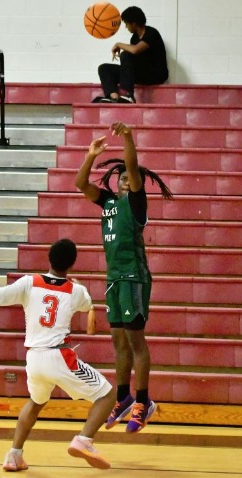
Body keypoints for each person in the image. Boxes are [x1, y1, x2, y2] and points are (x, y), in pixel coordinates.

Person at [0, 238, 115, 471]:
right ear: (72, 264)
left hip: (33, 359)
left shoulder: (29, 282)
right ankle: (84, 440)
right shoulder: (76, 290)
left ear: (48, 258)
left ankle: (14, 455)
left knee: (36, 402)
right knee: (107, 395)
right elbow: (86, 305)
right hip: (59, 356)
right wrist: (79, 286)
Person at [75, 122, 173, 433]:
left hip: (134, 277)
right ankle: (123, 397)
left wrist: (128, 137)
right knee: (118, 342)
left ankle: (144, 402)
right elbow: (80, 183)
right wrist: (91, 155)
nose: (126, 180)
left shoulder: (136, 203)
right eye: (122, 178)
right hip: (114, 279)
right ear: (115, 184)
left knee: (135, 341)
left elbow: (132, 166)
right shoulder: (108, 202)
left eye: (131, 178)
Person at [94, 6, 168, 103]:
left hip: (156, 75)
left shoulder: (151, 33)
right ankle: (114, 98)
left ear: (134, 23)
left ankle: (128, 95)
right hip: (141, 73)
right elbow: (134, 56)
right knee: (104, 68)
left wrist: (118, 44)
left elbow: (135, 50)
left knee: (126, 54)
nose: (126, 27)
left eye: (126, 23)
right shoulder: (134, 38)